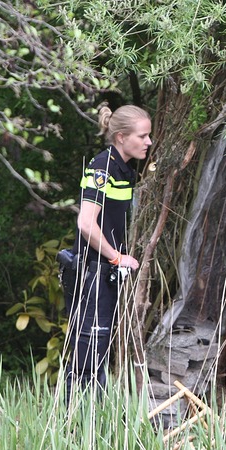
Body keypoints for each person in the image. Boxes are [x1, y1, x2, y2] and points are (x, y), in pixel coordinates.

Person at [65, 104, 150, 402]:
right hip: (92, 271)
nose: (148, 142)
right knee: (87, 351)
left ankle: (96, 422)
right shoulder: (102, 167)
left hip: (106, 273)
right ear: (121, 137)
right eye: (143, 136)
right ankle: (75, 424)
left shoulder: (124, 167)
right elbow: (86, 223)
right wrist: (116, 256)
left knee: (99, 350)